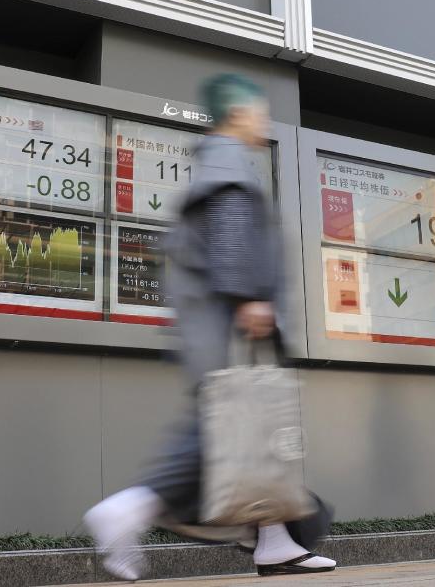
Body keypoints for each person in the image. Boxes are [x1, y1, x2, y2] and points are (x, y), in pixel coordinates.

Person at [83, 74, 336, 578]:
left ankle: (275, 539)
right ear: (239, 114)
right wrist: (251, 300)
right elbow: (231, 230)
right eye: (260, 112)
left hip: (214, 328)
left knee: (245, 437)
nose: (264, 121)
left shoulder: (220, 160)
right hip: (227, 328)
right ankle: (129, 509)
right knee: (217, 436)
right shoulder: (226, 162)